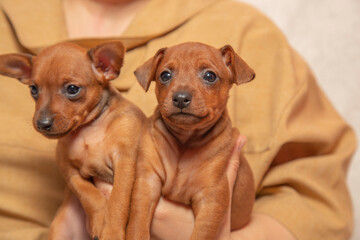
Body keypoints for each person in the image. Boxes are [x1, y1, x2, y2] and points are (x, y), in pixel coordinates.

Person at [0, 0, 356, 239]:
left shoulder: (247, 29)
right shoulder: (9, 15)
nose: (182, 94)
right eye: (166, 77)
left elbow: (317, 192)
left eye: (210, 77)